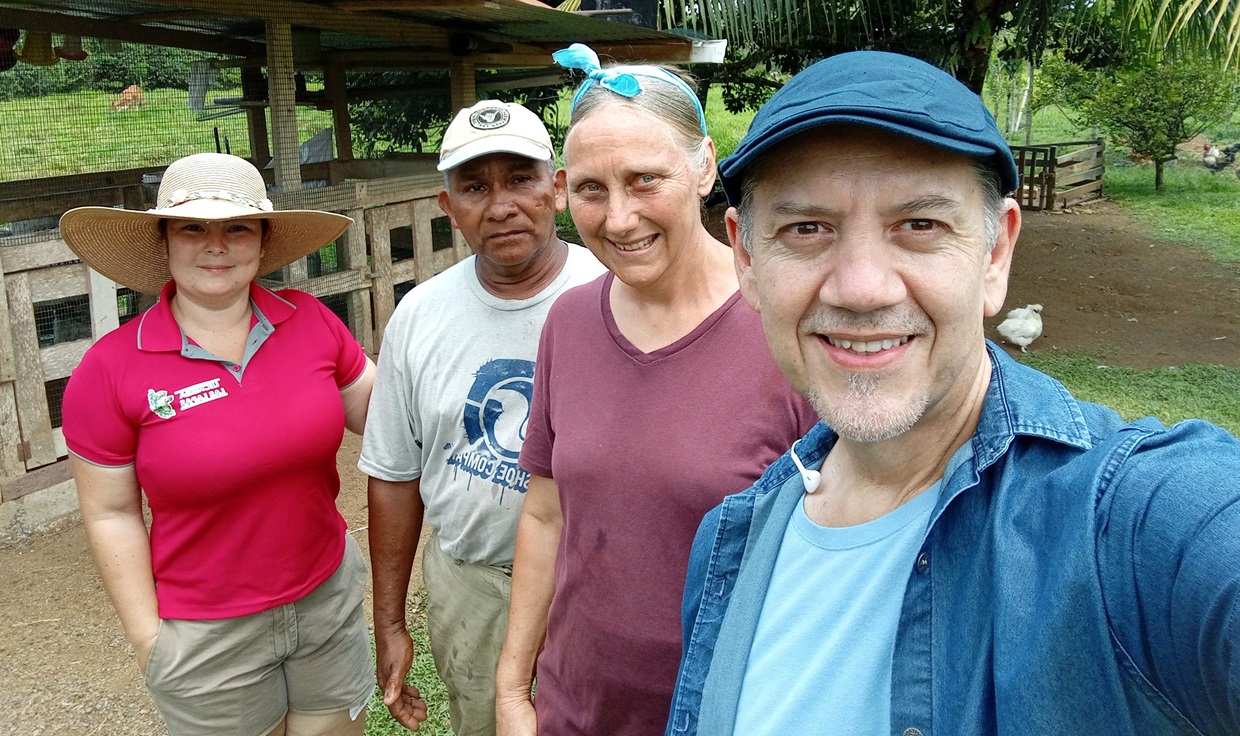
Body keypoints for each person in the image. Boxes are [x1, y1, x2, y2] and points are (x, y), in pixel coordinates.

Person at [664, 50, 1240, 736]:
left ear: (995, 255)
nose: (861, 288)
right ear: (749, 261)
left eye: (921, 225)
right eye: (807, 229)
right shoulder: (731, 542)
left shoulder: (1130, 520)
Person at [496, 44, 817, 736]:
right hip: (575, 705)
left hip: (726, 710)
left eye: (645, 180)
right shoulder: (570, 322)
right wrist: (511, 688)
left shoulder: (788, 332)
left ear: (705, 166)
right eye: (589, 189)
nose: (617, 219)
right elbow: (547, 514)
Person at [58, 152, 377, 736]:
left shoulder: (310, 321)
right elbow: (109, 511)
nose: (217, 245)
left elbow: (382, 411)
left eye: (237, 227)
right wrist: (147, 636)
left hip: (326, 600)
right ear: (165, 240)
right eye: (193, 227)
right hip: (206, 633)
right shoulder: (109, 369)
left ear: (262, 239)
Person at [360, 99, 605, 735]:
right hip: (469, 584)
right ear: (448, 208)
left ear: (555, 187)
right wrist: (390, 623)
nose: (500, 206)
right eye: (474, 186)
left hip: (595, 580)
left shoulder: (612, 292)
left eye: (519, 178)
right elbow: (392, 474)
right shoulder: (419, 317)